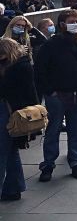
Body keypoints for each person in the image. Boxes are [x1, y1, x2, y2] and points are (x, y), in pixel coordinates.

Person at [35, 9, 77, 182]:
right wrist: (50, 91)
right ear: (62, 24)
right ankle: (48, 164)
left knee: (76, 129)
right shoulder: (51, 44)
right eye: (71, 21)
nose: (75, 24)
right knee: (53, 130)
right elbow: (41, 70)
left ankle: (76, 161)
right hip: (57, 95)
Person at [0, 37, 39, 201]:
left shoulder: (14, 69)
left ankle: (12, 187)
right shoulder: (23, 65)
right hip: (17, 113)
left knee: (3, 152)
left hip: (8, 111)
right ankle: (14, 187)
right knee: (10, 151)